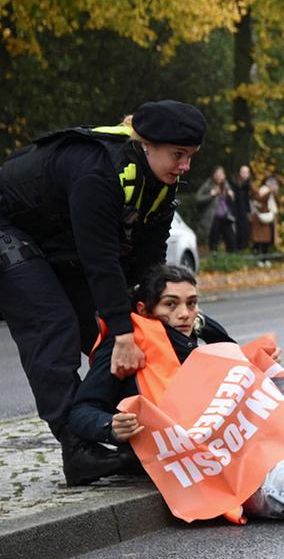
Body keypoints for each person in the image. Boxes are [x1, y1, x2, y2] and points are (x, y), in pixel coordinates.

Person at [0, 100, 200, 483]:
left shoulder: (158, 185)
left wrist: (151, 316)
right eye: (178, 155)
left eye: (191, 156)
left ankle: (128, 431)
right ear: (147, 145)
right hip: (8, 226)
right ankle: (78, 447)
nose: (185, 166)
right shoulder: (99, 171)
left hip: (54, 241)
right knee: (53, 325)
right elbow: (101, 260)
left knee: (111, 333)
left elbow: (148, 268)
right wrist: (123, 332)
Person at [64, 262, 284, 517]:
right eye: (171, 304)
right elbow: (80, 411)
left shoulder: (199, 339)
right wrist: (110, 426)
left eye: (192, 304)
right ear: (144, 310)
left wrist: (256, 362)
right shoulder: (125, 350)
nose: (184, 314)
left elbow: (226, 352)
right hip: (241, 474)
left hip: (276, 441)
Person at [247, 170, 279, 255]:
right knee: (258, 239)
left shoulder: (273, 193)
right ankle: (258, 258)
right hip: (260, 218)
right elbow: (260, 200)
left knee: (267, 240)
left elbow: (277, 204)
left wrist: (274, 194)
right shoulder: (263, 190)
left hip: (269, 217)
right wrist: (270, 192)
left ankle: (265, 258)